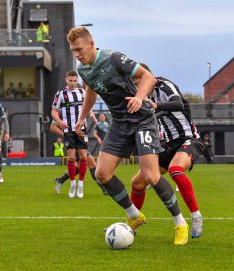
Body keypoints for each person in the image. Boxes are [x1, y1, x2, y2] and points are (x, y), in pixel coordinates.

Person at [67, 26, 188, 245]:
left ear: (91, 43)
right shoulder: (83, 70)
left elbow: (147, 77)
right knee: (102, 174)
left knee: (151, 175)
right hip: (119, 124)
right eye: (73, 50)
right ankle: (134, 215)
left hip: (142, 120)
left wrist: (139, 98)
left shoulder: (114, 58)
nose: (76, 54)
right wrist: (82, 117)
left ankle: (180, 223)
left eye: (79, 48)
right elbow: (91, 92)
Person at [130, 64, 204, 239]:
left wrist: (156, 106)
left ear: (148, 77)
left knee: (175, 170)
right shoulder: (141, 97)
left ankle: (196, 217)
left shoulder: (163, 85)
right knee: (137, 182)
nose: (137, 87)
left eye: (138, 82)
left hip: (188, 139)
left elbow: (178, 103)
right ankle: (131, 223)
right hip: (167, 145)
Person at [52, 70, 88, 199]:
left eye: (75, 81)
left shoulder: (82, 92)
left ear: (77, 81)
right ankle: (72, 183)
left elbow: (87, 107)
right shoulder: (60, 94)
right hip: (68, 129)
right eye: (70, 81)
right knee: (72, 157)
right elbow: (54, 111)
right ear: (66, 80)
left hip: (81, 128)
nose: (73, 83)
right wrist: (60, 121)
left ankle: (81, 184)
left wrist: (87, 119)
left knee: (84, 157)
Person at [50, 119, 107, 195]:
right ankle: (105, 189)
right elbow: (53, 127)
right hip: (74, 143)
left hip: (81, 142)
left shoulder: (81, 112)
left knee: (80, 167)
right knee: (92, 164)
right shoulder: (62, 111)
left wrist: (86, 140)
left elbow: (84, 130)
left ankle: (60, 180)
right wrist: (67, 135)